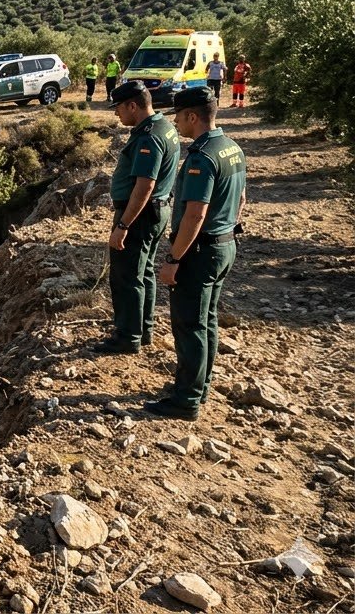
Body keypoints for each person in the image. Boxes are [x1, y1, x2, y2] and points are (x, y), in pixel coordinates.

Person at [147, 86, 247, 421]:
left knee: (189, 324)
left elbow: (194, 214)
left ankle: (186, 399)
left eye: (178, 116)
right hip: (225, 245)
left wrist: (174, 259)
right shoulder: (231, 148)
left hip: (200, 252)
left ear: (192, 116)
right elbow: (242, 198)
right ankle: (199, 386)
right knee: (208, 321)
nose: (174, 123)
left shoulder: (202, 157)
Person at [94, 80, 179, 355]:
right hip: (156, 210)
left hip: (140, 214)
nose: (116, 113)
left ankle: (127, 336)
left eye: (118, 107)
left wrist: (123, 225)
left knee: (127, 275)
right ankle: (143, 330)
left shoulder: (149, 136)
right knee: (143, 273)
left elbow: (145, 185)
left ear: (133, 105)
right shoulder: (164, 127)